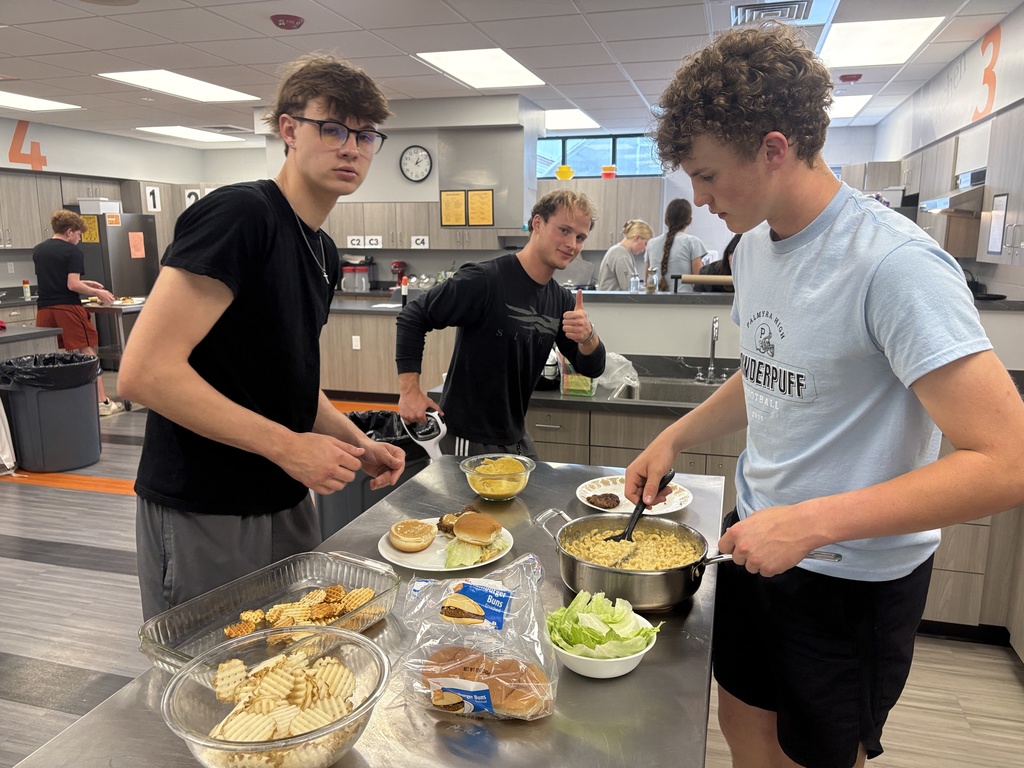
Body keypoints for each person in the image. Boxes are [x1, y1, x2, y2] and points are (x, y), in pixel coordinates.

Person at [624, 22, 1024, 768]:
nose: (700, 198)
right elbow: (769, 368)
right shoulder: (756, 247)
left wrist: (811, 523)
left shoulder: (894, 265)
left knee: (818, 757)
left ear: (775, 148)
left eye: (708, 176)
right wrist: (675, 436)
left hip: (852, 577)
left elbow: (1006, 460)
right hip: (758, 543)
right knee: (746, 729)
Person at [118, 55, 406, 619]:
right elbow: (145, 373)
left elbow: (287, 386)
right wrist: (288, 446)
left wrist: (358, 444)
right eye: (333, 128)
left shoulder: (321, 250)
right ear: (289, 129)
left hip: (286, 499)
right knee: (212, 684)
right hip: (209, 508)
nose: (351, 147)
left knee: (289, 665)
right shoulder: (241, 214)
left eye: (366, 134)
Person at [396, 189, 606, 459]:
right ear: (538, 223)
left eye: (580, 237)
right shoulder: (485, 280)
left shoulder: (561, 300)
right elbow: (413, 315)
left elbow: (591, 368)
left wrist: (588, 337)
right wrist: (409, 390)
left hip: (516, 437)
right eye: (564, 230)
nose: (572, 244)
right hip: (467, 440)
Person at [32, 209, 123, 416]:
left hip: (45, 309)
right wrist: (97, 292)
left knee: (52, 357)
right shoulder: (73, 252)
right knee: (88, 352)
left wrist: (86, 283)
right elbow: (72, 285)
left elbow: (57, 280)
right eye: (79, 235)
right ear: (69, 231)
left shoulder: (39, 250)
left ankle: (56, 401)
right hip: (67, 308)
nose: (79, 239)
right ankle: (102, 401)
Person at [644, 198, 707, 292]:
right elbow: (698, 280)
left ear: (666, 220)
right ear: (690, 220)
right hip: (683, 302)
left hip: (656, 301)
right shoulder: (693, 242)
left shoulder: (651, 244)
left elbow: (647, 279)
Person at [596, 219, 652, 290]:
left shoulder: (622, 252)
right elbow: (630, 288)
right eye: (645, 244)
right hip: (613, 300)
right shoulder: (620, 254)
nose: (645, 248)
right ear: (637, 238)